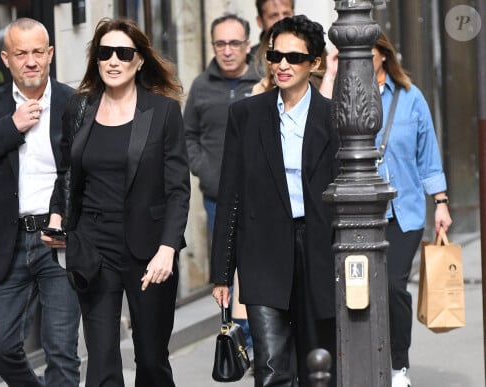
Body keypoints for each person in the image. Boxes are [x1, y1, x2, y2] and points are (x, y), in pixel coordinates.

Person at [42, 17, 190, 387]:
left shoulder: (163, 112)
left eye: (123, 53)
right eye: (104, 52)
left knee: (152, 358)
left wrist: (167, 248)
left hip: (149, 246)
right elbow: (67, 173)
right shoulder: (79, 109)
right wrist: (58, 216)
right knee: (102, 356)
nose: (113, 61)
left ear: (139, 60)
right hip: (93, 243)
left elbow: (178, 189)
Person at [0, 18, 81, 386]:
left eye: (38, 52)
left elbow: (89, 172)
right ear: (6, 59)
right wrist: (11, 126)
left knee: (62, 354)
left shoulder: (75, 104)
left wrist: (72, 222)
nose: (31, 61)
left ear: (50, 54)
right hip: (8, 241)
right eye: (21, 53)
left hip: (59, 242)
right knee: (0, 347)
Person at [211, 15, 338, 387]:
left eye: (294, 57)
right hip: (263, 254)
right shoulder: (246, 114)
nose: (282, 65)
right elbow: (230, 192)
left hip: (318, 252)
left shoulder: (333, 118)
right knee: (270, 367)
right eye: (275, 55)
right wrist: (222, 271)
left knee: (320, 365)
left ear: (314, 63)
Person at [372, 31, 452, 387]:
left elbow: (428, 155)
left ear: (383, 55)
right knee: (358, 288)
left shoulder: (410, 96)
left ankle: (397, 365)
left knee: (392, 287)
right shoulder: (340, 96)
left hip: (402, 211)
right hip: (357, 212)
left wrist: (441, 202)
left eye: (364, 52)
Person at [183, 12, 259, 362]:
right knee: (226, 272)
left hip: (262, 197)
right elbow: (188, 136)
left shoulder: (264, 80)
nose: (227, 51)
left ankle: (264, 340)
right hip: (218, 198)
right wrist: (205, 170)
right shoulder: (201, 85)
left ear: (247, 44)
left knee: (259, 268)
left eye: (234, 43)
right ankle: (238, 341)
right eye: (220, 43)